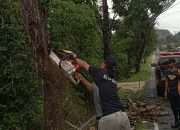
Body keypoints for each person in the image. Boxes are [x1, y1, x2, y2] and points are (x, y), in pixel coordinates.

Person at [75, 55, 131, 130]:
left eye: (102, 63)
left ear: (104, 64)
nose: (100, 64)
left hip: (107, 118)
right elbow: (92, 88)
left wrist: (72, 58)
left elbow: (84, 64)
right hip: (123, 116)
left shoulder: (100, 73)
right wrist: (81, 78)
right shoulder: (112, 79)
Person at [165, 59, 180, 128]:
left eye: (170, 63)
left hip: (178, 92)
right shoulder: (167, 71)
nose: (169, 64)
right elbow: (166, 81)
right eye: (169, 63)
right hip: (171, 92)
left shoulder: (178, 71)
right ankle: (176, 121)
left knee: (178, 107)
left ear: (174, 63)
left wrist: (177, 72)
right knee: (173, 108)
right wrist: (165, 91)